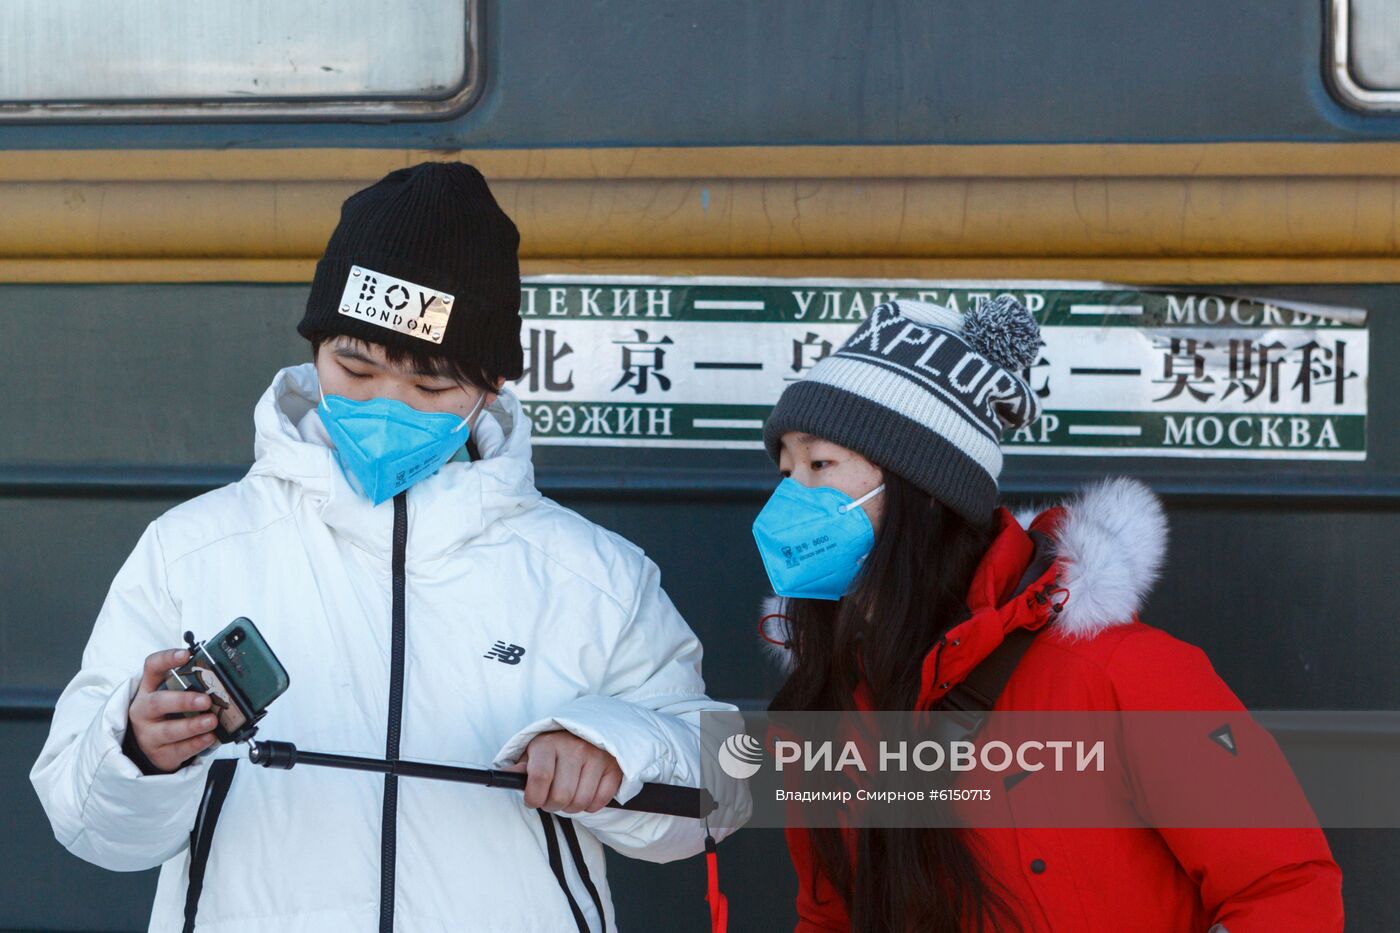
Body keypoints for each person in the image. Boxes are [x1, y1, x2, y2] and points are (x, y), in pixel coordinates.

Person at [31, 162, 744, 932]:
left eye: (431, 387)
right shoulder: (190, 549)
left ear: (493, 384)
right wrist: (137, 749)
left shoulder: (596, 575)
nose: (385, 404)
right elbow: (81, 815)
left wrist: (621, 752)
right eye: (355, 368)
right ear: (314, 352)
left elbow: (727, 785)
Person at [751, 297, 1344, 932]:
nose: (793, 497)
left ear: (925, 492)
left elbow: (1285, 890)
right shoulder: (830, 703)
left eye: (819, 465)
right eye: (785, 470)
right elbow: (830, 917)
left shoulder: (1117, 671)